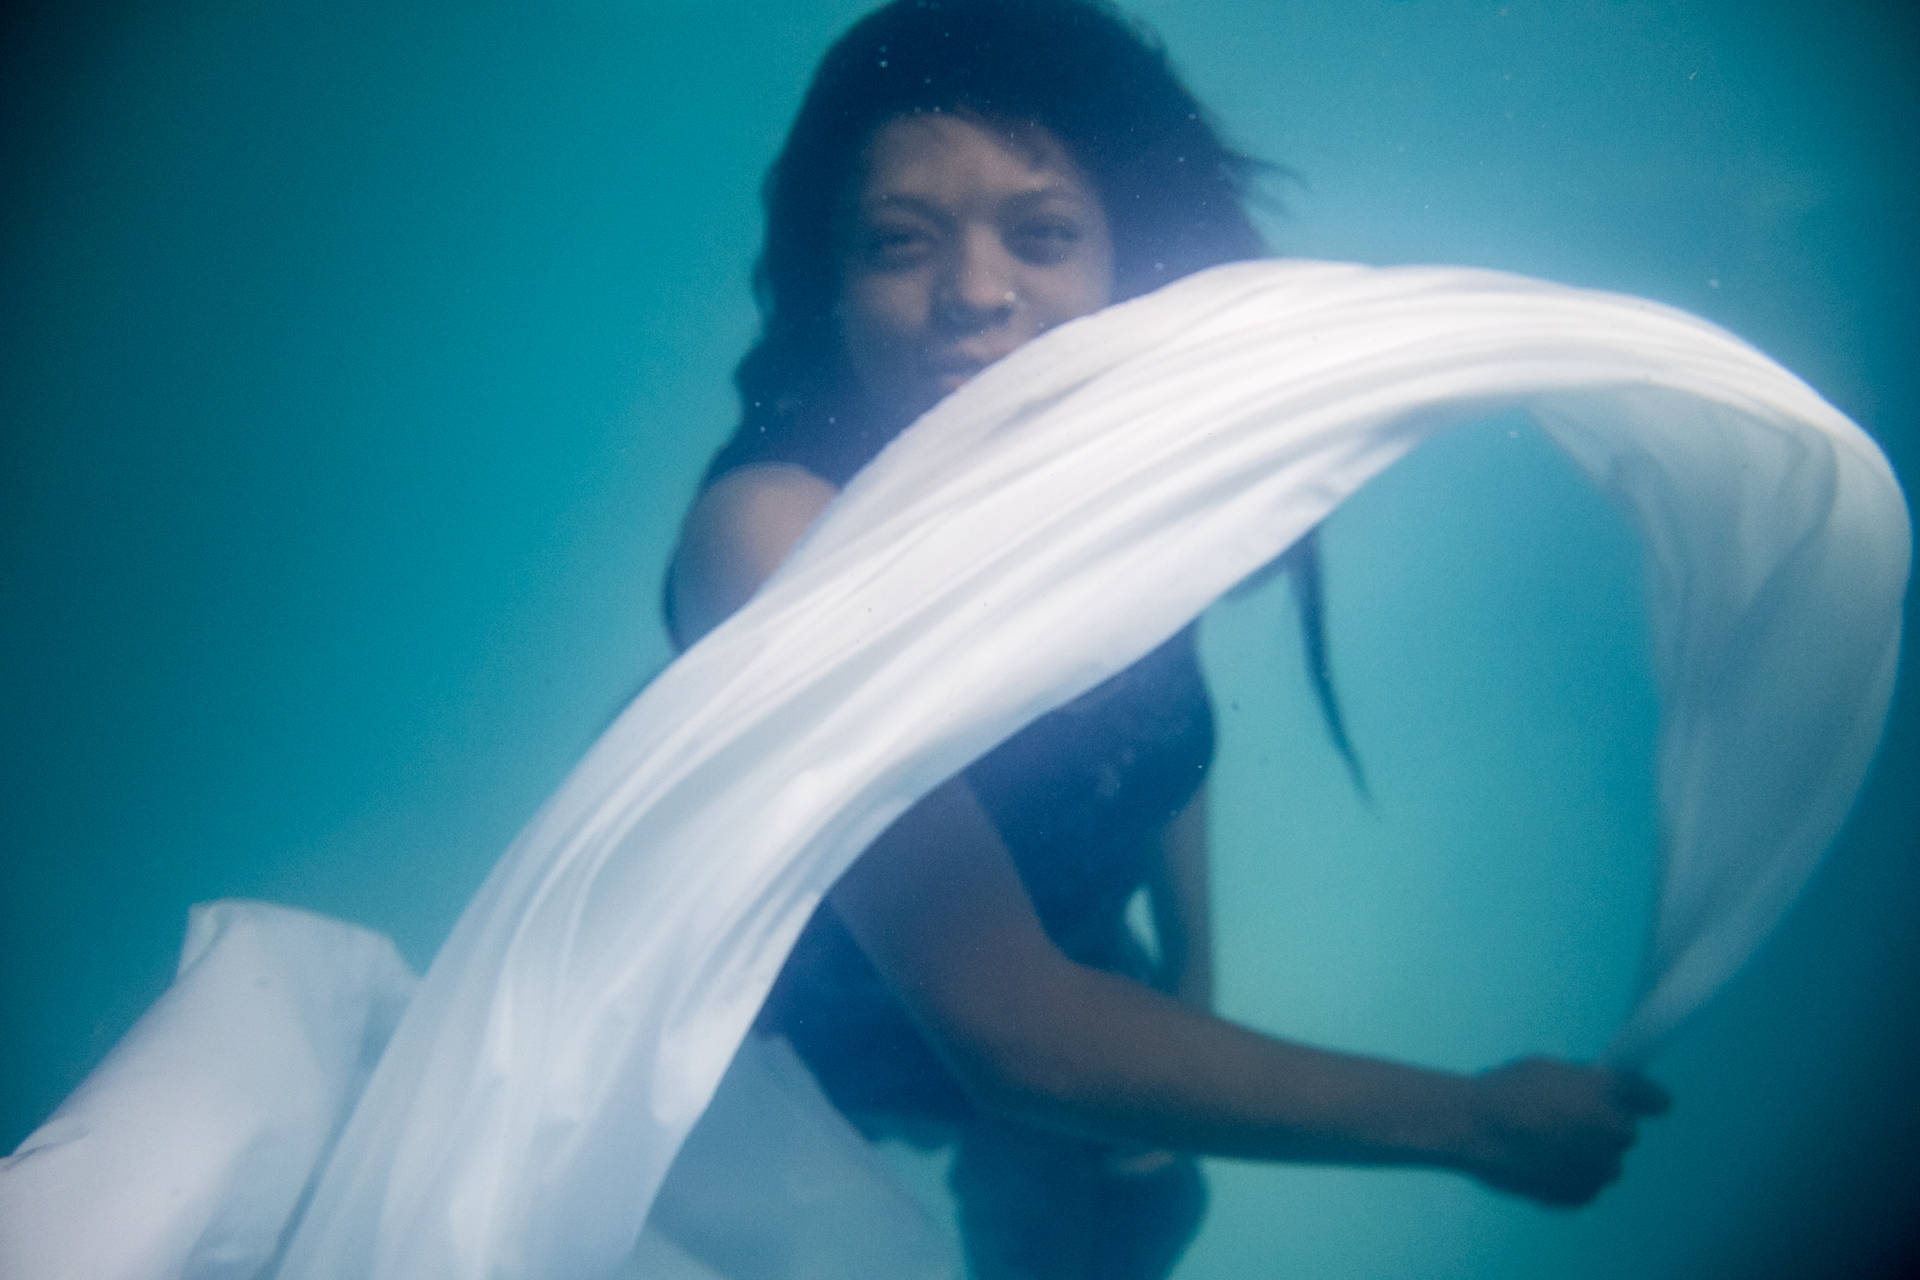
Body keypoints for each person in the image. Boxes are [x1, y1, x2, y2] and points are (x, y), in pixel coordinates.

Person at [663, 2, 1669, 1276]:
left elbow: (1145, 719)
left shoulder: (1116, 446)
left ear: (1121, 263)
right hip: (802, 1020)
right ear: (830, 274)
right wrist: (1476, 1123)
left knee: (1133, 1223)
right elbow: (1012, 1027)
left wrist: (1189, 971)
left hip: (1079, 967)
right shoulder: (766, 538)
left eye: (1043, 234)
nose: (975, 296)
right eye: (899, 242)